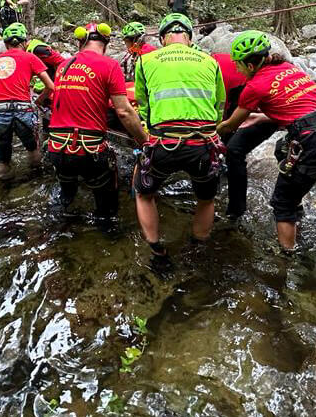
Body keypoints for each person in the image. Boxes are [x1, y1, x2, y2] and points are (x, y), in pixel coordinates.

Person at [216, 31, 316, 251]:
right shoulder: (288, 69)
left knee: (282, 203)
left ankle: (287, 255)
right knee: (282, 149)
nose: (236, 68)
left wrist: (207, 129)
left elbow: (230, 126)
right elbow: (296, 106)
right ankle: (297, 215)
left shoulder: (253, 87)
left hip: (313, 140)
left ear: (251, 66)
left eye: (238, 65)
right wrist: (262, 116)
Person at [133, 13, 226, 257]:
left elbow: (143, 105)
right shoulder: (210, 61)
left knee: (144, 194)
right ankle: (197, 248)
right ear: (188, 36)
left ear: (163, 38)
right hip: (204, 144)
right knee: (206, 199)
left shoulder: (145, 60)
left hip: (164, 143)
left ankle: (156, 249)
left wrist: (148, 132)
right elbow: (219, 106)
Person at [47, 22, 148, 221]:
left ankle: (60, 236)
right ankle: (108, 240)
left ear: (80, 41)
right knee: (107, 209)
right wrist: (144, 141)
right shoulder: (109, 65)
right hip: (88, 150)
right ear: (107, 43)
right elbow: (124, 112)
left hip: (56, 147)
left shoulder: (62, 66)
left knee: (65, 199)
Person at [213, 48, 280, 221]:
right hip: (267, 98)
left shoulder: (220, 75)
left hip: (248, 91)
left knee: (234, 150)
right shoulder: (215, 61)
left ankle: (235, 211)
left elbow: (223, 112)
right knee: (232, 148)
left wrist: (215, 131)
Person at [0, 23, 55, 179]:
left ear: (5, 43)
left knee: (2, 160)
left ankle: (3, 191)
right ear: (25, 42)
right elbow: (50, 86)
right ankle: (36, 179)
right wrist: (38, 101)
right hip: (22, 109)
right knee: (32, 149)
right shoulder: (30, 57)